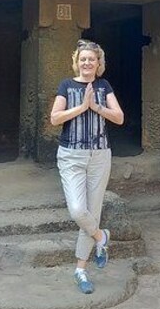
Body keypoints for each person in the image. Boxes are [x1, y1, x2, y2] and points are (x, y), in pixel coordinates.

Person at [50, 39, 124, 294]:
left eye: (91, 59)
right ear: (77, 62)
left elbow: (119, 117)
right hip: (71, 155)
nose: (87, 63)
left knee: (93, 212)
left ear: (98, 63)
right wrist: (82, 107)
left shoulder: (104, 86)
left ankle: (81, 270)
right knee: (78, 210)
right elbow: (54, 118)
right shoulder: (66, 85)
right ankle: (101, 237)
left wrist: (96, 107)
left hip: (100, 155)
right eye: (83, 59)